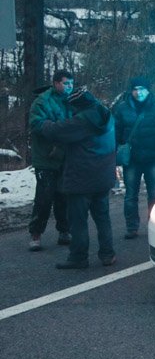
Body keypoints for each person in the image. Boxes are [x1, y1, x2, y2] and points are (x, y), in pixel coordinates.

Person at [34, 89, 117, 270]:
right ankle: (107, 254)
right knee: (102, 217)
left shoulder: (83, 120)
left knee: (78, 221)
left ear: (79, 106)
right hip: (103, 177)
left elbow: (56, 131)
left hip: (82, 179)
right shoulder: (107, 116)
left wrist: (44, 123)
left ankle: (78, 257)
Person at [112, 77, 155, 239]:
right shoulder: (122, 108)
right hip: (132, 159)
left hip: (153, 158)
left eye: (142, 89)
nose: (138, 92)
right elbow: (116, 133)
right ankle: (132, 227)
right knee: (130, 195)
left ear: (148, 90)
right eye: (135, 89)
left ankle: (154, 225)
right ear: (131, 90)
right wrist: (114, 153)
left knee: (154, 194)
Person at [26, 70, 74, 251]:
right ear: (56, 83)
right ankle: (36, 233)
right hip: (46, 157)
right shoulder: (42, 101)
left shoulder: (73, 101)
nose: (69, 87)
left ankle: (64, 230)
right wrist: (59, 129)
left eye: (71, 83)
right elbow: (37, 124)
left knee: (64, 195)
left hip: (66, 156)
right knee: (44, 197)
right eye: (65, 83)